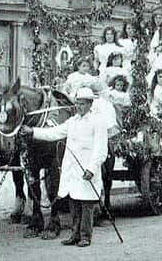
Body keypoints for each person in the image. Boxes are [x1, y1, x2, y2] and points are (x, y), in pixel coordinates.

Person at [18, 87, 112, 247]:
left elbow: (100, 149)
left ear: (90, 104)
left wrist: (92, 168)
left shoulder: (98, 122)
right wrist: (32, 131)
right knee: (74, 202)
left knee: (87, 205)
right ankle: (74, 235)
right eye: (77, 103)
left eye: (83, 104)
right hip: (73, 170)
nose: (79, 107)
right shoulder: (72, 122)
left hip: (88, 168)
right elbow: (54, 133)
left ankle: (85, 236)